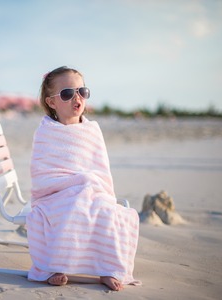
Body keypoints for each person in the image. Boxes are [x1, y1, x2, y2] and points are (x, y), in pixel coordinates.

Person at [26, 66, 140, 291]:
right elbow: (42, 174)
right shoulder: (46, 132)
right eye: (67, 93)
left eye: (82, 91)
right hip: (55, 195)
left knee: (107, 211)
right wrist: (73, 186)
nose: (76, 98)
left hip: (91, 189)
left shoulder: (92, 130)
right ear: (52, 102)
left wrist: (88, 183)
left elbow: (100, 168)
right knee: (71, 208)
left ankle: (108, 268)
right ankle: (55, 266)